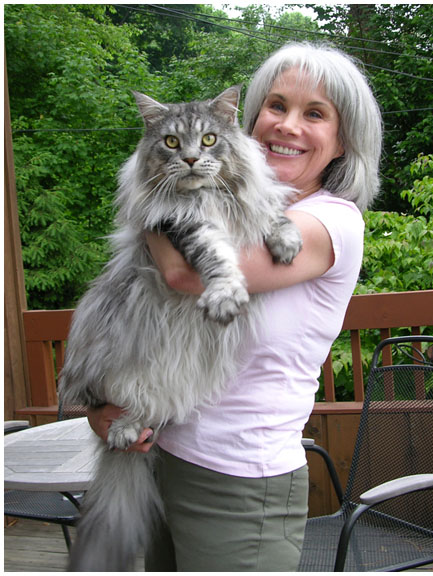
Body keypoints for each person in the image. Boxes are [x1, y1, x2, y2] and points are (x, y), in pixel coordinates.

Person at [87, 41, 382, 571]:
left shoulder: (332, 221)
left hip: (241, 482)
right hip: (165, 452)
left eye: (315, 114)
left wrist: (148, 198)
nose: (288, 125)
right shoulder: (229, 196)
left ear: (344, 141)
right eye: (276, 105)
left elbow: (183, 273)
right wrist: (104, 404)